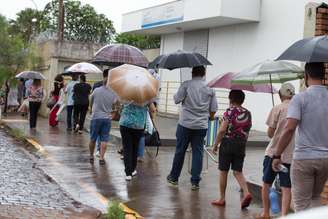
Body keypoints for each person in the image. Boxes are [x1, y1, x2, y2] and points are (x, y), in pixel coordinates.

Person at [272, 62, 328, 212]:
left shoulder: (300, 98)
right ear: (323, 76)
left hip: (304, 158)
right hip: (325, 159)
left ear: (306, 76)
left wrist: (277, 154)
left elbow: (289, 128)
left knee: (301, 204)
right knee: (315, 198)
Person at [167, 66, 218, 190]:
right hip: (201, 126)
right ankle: (195, 182)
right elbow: (213, 109)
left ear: (192, 73)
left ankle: (174, 178)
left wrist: (182, 94)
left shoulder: (186, 85)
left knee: (180, 151)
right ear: (204, 73)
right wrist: (210, 118)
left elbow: (176, 100)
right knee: (198, 152)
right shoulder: (210, 88)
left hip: (185, 124)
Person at [258, 83, 295, 219]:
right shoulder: (298, 109)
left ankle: (266, 213)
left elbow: (270, 133)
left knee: (266, 183)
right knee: (286, 187)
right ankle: (284, 215)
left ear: (280, 95)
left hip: (273, 153)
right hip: (290, 155)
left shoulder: (277, 108)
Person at [211, 90, 252, 209]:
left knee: (223, 171)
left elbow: (222, 130)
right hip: (241, 143)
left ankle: (222, 199)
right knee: (237, 171)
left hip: (228, 143)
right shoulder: (248, 113)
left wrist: (215, 144)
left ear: (230, 99)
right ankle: (246, 192)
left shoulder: (230, 111)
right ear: (242, 100)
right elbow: (247, 130)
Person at [120, 102, 155, 181]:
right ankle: (132, 170)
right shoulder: (146, 95)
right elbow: (153, 109)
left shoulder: (127, 92)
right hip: (138, 125)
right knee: (135, 147)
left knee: (127, 148)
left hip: (125, 123)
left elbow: (120, 103)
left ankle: (128, 173)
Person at [89, 75, 117, 165]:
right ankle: (101, 158)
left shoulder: (96, 90)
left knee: (93, 138)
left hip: (96, 117)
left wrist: (91, 108)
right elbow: (116, 105)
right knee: (104, 139)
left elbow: (91, 100)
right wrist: (113, 114)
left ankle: (91, 156)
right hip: (106, 118)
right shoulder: (113, 93)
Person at [92, 69, 109, 157]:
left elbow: (92, 98)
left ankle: (95, 152)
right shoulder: (112, 87)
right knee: (104, 137)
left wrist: (91, 109)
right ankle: (101, 154)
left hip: (96, 114)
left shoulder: (96, 85)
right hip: (106, 115)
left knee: (94, 136)